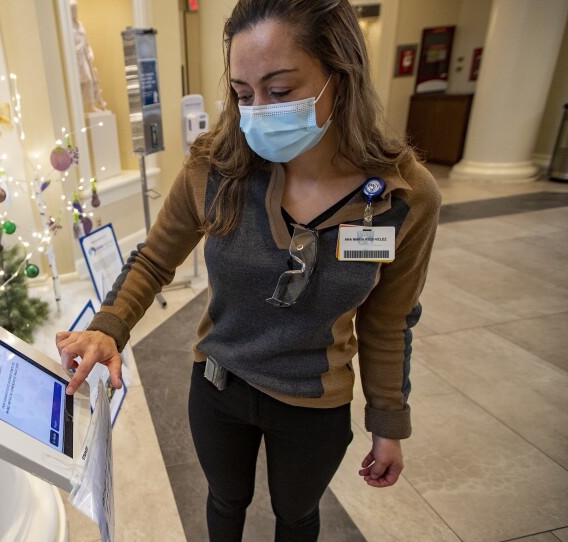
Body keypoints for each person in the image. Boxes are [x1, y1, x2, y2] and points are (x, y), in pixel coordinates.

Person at [56, 0, 441, 540]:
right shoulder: (215, 169)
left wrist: (387, 422)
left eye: (280, 91)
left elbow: (389, 320)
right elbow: (155, 258)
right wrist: (108, 325)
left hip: (314, 401)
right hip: (220, 386)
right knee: (225, 500)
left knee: (298, 514)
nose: (258, 109)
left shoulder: (404, 196)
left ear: (342, 73)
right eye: (242, 94)